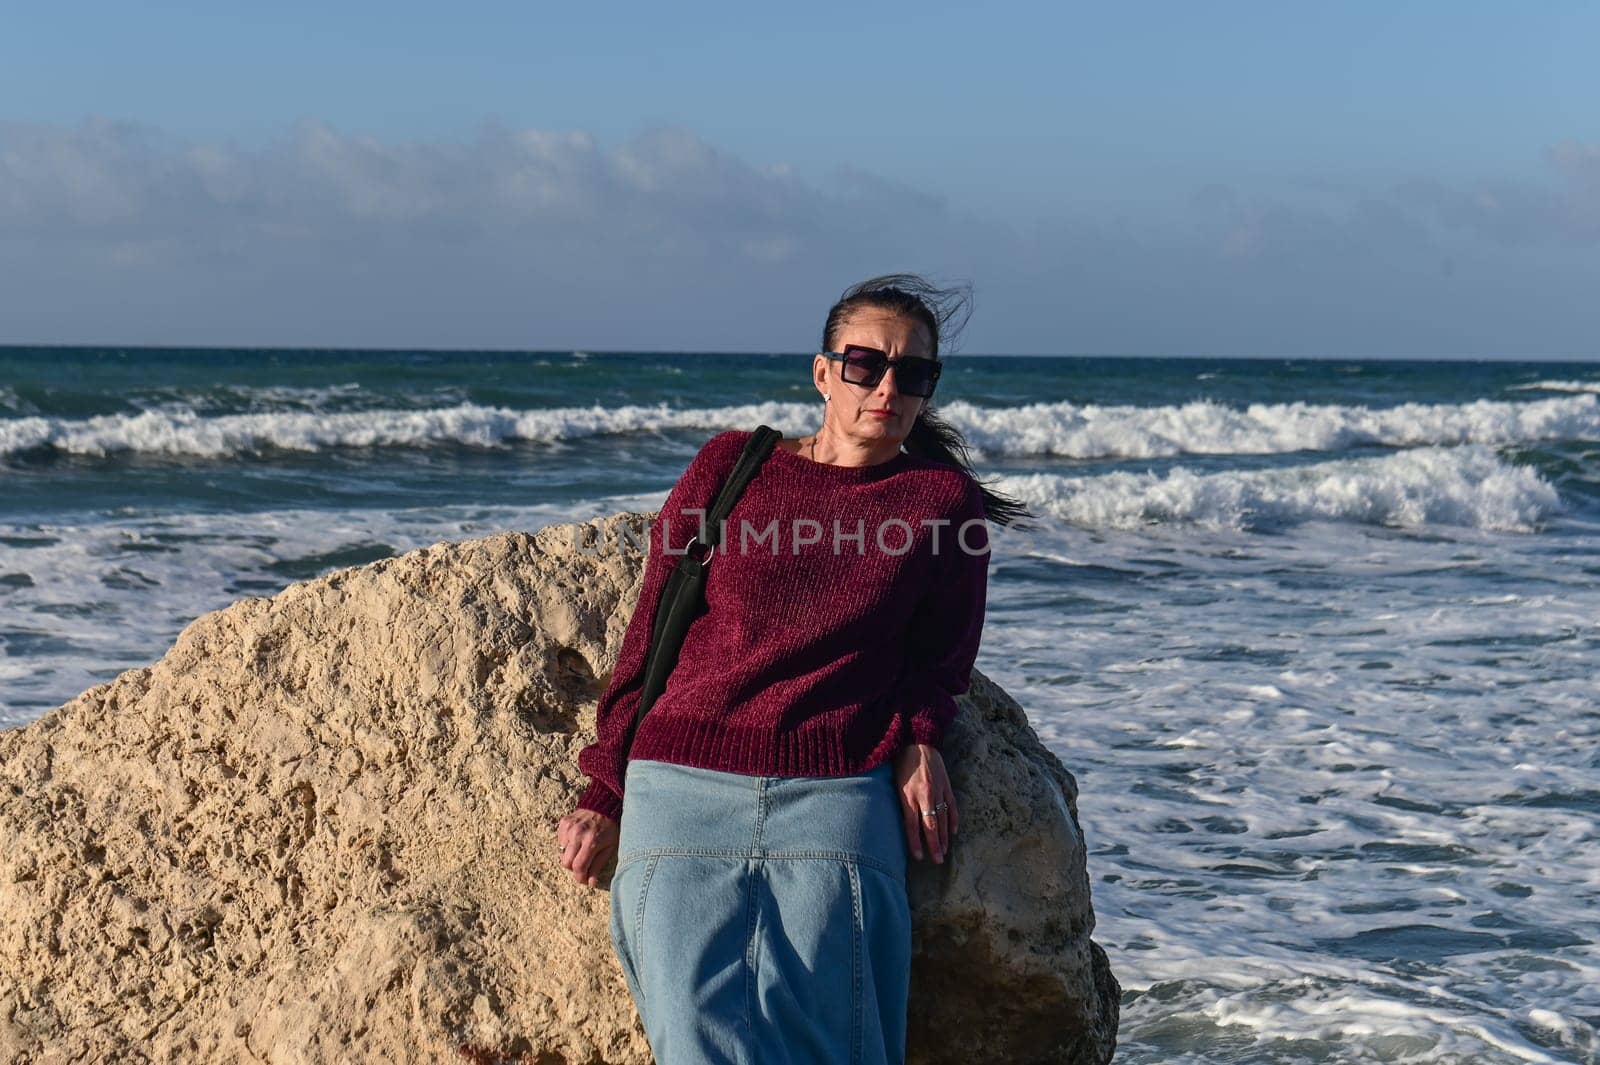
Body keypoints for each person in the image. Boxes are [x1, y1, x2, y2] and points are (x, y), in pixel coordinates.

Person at [557, 274, 1027, 1064]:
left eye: (913, 373)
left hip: (836, 795)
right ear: (822, 372)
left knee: (837, 1038)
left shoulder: (942, 504)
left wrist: (919, 738)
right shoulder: (731, 466)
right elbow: (652, 630)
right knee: (691, 1035)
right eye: (865, 363)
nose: (887, 386)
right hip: (681, 788)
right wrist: (606, 787)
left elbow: (942, 657)